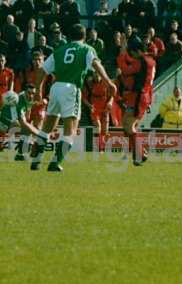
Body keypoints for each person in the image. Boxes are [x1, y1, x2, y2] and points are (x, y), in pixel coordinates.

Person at [30, 23, 117, 172]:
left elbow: (42, 70)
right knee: (71, 130)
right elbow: (96, 64)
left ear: (69, 37)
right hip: (71, 88)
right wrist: (108, 82)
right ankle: (55, 163)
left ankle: (36, 161)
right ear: (84, 37)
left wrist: (38, 89)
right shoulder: (87, 49)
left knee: (47, 126)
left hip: (55, 88)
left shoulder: (59, 50)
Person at [117, 37, 156, 166]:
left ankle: (139, 154)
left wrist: (122, 55)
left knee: (129, 125)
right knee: (126, 123)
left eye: (132, 52)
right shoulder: (149, 61)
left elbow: (126, 69)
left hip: (139, 96)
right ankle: (140, 152)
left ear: (137, 51)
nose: (131, 55)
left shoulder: (142, 61)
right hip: (142, 96)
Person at [0, 86, 43, 160]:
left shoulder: (29, 99)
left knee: (27, 130)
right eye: (29, 93)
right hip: (4, 120)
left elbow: (27, 114)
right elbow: (23, 123)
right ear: (24, 92)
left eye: (33, 93)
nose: (31, 95)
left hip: (9, 119)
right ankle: (24, 150)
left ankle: (21, 153)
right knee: (27, 130)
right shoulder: (19, 101)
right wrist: (39, 135)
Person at [82, 71, 113, 152]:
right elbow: (83, 98)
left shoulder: (106, 82)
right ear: (93, 75)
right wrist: (90, 106)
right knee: (98, 127)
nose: (97, 76)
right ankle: (99, 148)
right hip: (95, 108)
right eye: (95, 74)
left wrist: (110, 102)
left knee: (105, 130)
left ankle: (102, 147)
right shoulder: (89, 83)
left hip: (105, 108)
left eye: (98, 74)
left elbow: (112, 95)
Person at [20, 51, 52, 131]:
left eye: (39, 60)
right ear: (32, 61)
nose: (37, 62)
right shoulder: (25, 72)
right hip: (27, 104)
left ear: (43, 61)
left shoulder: (49, 75)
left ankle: (38, 143)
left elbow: (52, 90)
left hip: (40, 103)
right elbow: (21, 88)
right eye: (35, 60)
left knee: (37, 126)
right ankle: (26, 142)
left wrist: (46, 99)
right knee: (26, 127)